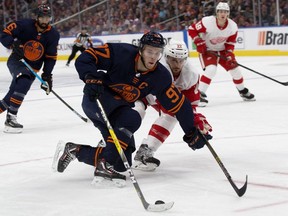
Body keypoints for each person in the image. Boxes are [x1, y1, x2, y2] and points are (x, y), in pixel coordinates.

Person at [52, 32, 212, 187]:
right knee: (132, 118)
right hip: (97, 100)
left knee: (122, 162)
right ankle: (104, 165)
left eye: (157, 53)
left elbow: (180, 105)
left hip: (119, 110)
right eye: (149, 51)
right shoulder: (122, 53)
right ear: (141, 49)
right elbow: (87, 56)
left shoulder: (160, 76)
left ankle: (75, 150)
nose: (153, 56)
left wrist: (191, 130)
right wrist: (91, 77)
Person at [132, 39, 212, 171]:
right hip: (143, 93)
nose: (178, 64)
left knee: (172, 115)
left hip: (164, 98)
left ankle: (145, 153)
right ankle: (110, 144)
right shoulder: (158, 67)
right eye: (174, 60)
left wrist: (195, 120)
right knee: (136, 113)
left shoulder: (191, 74)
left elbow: (189, 105)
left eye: (181, 60)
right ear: (166, 57)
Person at [0, 4, 60, 133]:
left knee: (11, 96)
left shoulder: (53, 35)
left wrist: (47, 75)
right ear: (37, 17)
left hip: (33, 69)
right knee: (24, 79)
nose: (45, 20)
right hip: (17, 61)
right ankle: (11, 119)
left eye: (47, 18)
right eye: (42, 17)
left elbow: (50, 57)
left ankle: (9, 115)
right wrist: (13, 43)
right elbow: (5, 33)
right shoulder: (24, 25)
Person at [188, 1, 255, 107]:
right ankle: (198, 95)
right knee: (211, 70)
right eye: (220, 11)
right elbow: (192, 29)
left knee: (235, 70)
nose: (222, 14)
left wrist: (229, 55)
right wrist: (198, 41)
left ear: (228, 13)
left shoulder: (233, 26)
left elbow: (230, 43)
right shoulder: (207, 22)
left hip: (222, 51)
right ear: (217, 13)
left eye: (225, 12)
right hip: (208, 50)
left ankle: (243, 91)